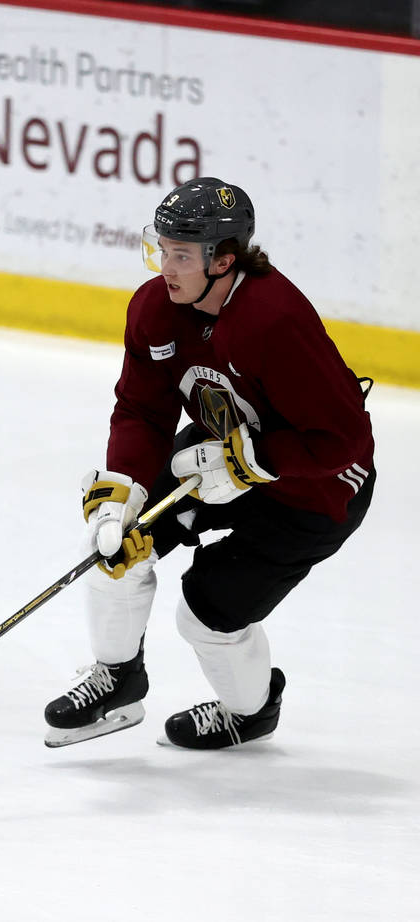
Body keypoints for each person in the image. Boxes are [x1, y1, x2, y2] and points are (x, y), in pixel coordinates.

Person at [44, 177, 374, 750]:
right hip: (217, 452)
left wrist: (251, 462)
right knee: (115, 545)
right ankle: (119, 677)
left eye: (180, 256)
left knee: (205, 614)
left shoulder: (275, 320)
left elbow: (342, 440)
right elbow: (141, 410)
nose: (165, 268)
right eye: (161, 249)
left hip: (317, 491)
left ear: (223, 260)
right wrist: (123, 490)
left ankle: (252, 711)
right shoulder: (155, 308)